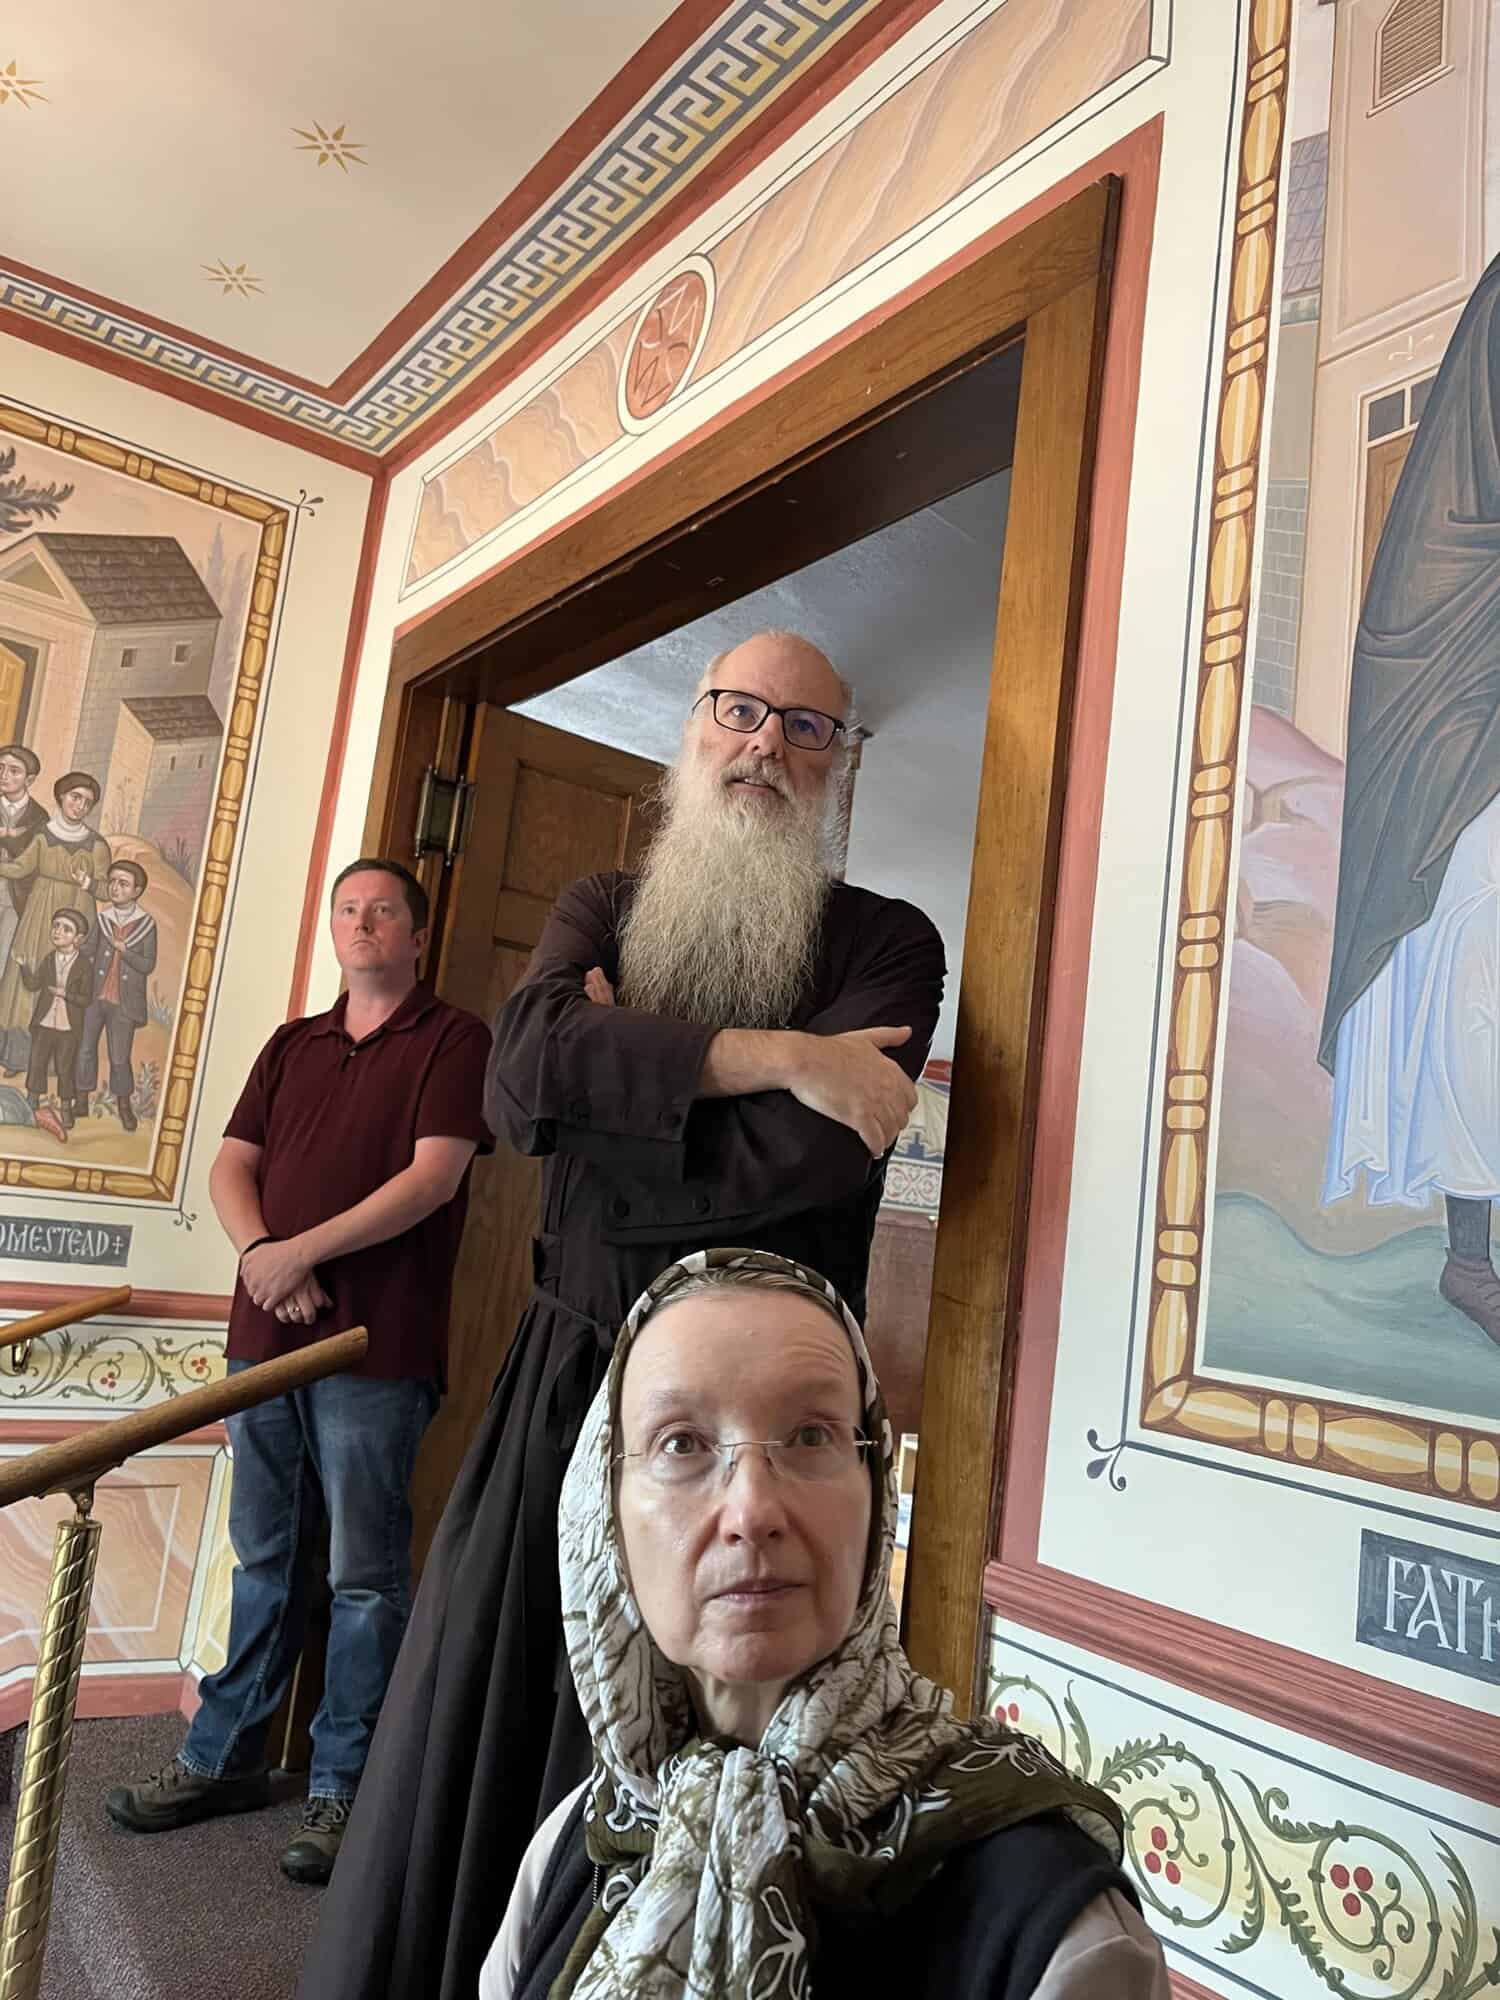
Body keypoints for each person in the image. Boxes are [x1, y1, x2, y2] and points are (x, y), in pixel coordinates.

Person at [302, 632, 945, 2000]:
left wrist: (607, 1098)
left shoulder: (891, 942)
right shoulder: (602, 902)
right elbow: (517, 1084)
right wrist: (785, 1058)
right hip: (563, 1389)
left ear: (838, 766)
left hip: (754, 1432)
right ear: (693, 731)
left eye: (807, 728)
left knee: (712, 1764)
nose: (767, 744)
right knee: (481, 1736)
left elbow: (798, 1166)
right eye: (740, 710)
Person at [480, 1249, 1170, 2000]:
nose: (751, 1511)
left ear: (877, 1494)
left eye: (811, 1436)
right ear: (605, 1508)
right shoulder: (581, 1840)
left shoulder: (1059, 1937)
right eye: (682, 1443)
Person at [106, 858, 493, 1884]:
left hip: (376, 1343)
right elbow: (230, 1164)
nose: (363, 923)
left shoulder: (453, 1037)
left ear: (417, 935)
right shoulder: (291, 1043)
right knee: (265, 1556)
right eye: (348, 909)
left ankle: (341, 1788)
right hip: (263, 1340)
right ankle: (223, 1759)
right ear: (333, 929)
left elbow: (434, 1176)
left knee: (364, 1575)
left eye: (384, 911)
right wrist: (261, 1256)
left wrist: (301, 1253)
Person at [1320, 251, 1500, 1346]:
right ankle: (1470, 1256)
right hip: (1464, 726)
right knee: (1481, 967)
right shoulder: (1453, 540)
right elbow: (1438, 607)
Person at [0, 770, 110, 1036]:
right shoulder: (43, 835)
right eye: (75, 797)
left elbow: (107, 890)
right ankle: (16, 1042)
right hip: (38, 916)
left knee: (63, 979)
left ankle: (50, 1047)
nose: (80, 805)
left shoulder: (96, 844)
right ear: (61, 797)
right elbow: (21, 867)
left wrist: (88, 883)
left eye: (87, 802)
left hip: (76, 914)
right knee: (27, 972)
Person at [78, 857, 158, 1131]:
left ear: (137, 891)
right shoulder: (103, 919)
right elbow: (89, 949)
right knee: (85, 1048)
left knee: (120, 1057)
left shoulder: (146, 924)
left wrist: (126, 951)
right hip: (95, 997)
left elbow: (148, 965)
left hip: (123, 1004)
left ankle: (124, 1106)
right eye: (112, 882)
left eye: (123, 884)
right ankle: (81, 1098)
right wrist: (77, 944)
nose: (115, 888)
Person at [17, 906, 92, 1126]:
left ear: (78, 939)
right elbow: (34, 984)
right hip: (45, 1023)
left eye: (66, 929)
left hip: (68, 1027)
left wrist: (66, 994)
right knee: (37, 1062)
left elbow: (86, 999)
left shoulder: (84, 965)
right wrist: (23, 967)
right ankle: (32, 1101)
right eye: (56, 926)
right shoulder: (50, 959)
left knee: (64, 1067)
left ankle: (66, 1106)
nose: (58, 931)